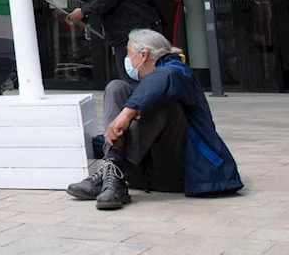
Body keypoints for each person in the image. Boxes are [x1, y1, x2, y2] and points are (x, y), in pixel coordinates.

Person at [66, 29, 242, 210]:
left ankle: (114, 172)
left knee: (164, 100)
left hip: (182, 172)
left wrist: (126, 114)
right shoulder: (148, 81)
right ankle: (113, 172)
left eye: (128, 54)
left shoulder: (178, 72)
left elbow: (164, 77)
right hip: (141, 172)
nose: (126, 60)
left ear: (143, 55)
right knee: (116, 87)